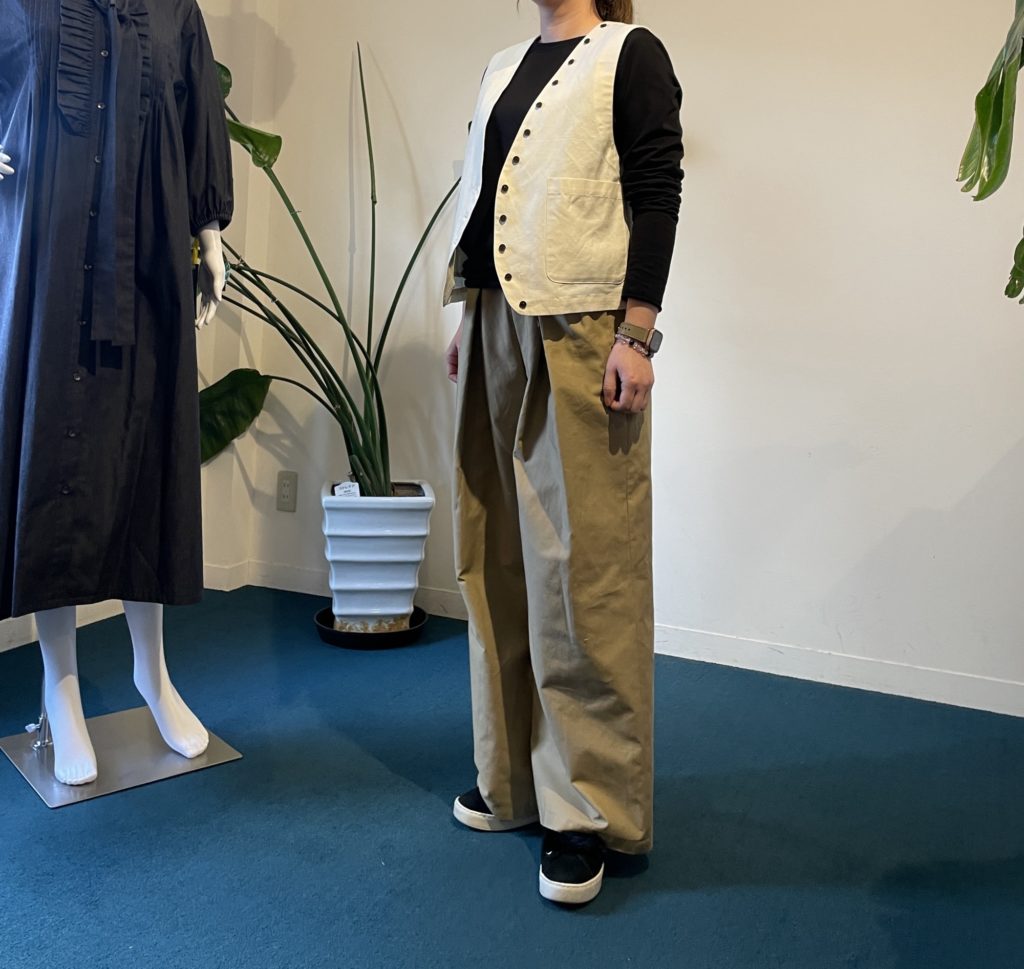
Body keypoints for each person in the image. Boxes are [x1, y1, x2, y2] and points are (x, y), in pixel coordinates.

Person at [443, 0, 683, 904]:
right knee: (493, 556)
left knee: (586, 572)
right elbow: (486, 197)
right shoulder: (504, 63)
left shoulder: (630, 53)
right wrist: (467, 315)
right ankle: (510, 777)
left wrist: (638, 333)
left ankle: (587, 809)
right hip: (494, 324)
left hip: (583, 330)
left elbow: (656, 189)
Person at [0, 0, 234, 786]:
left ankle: (151, 673)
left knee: (144, 454)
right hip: (46, 252)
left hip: (147, 257)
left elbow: (197, 112)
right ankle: (60, 684)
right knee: (52, 461)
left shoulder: (173, 10)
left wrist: (209, 232)